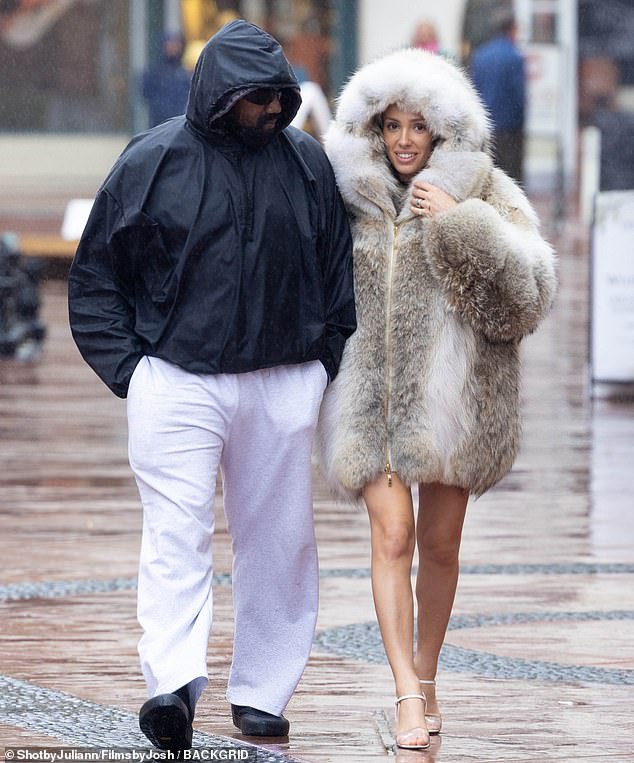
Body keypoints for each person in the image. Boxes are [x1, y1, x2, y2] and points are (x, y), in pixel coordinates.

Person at [68, 19, 355, 751]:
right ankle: (171, 685)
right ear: (219, 92)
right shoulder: (152, 160)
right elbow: (98, 275)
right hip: (177, 379)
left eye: (275, 97)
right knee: (175, 534)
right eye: (253, 96)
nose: (266, 110)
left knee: (280, 539)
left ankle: (263, 690)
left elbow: (335, 273)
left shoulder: (307, 164)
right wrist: (133, 372)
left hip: (284, 375)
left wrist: (319, 363)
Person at [316, 47, 556, 750]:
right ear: (373, 130)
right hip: (372, 404)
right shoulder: (346, 195)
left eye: (418, 126)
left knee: (440, 546)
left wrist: (459, 220)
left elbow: (527, 299)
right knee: (391, 536)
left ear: (443, 131)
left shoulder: (485, 189)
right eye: (392, 125)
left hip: (457, 405)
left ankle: (427, 674)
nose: (405, 140)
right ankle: (404, 694)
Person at [470, 11, 526, 183]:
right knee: (510, 178)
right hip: (509, 128)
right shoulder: (514, 56)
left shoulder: (480, 55)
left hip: (485, 125)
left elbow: (474, 90)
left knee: (489, 175)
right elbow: (519, 95)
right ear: (512, 29)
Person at [142, 32, 191, 127]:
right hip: (159, 124)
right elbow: (145, 93)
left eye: (176, 44)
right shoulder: (154, 71)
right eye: (170, 44)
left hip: (179, 125)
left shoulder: (185, 72)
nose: (173, 48)